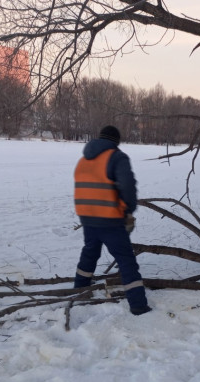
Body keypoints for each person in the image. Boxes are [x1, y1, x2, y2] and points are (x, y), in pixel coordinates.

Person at [73, 125, 151, 316]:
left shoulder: (83, 160)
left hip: (87, 217)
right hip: (110, 219)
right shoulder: (117, 157)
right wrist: (128, 210)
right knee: (126, 260)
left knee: (89, 254)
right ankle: (138, 305)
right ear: (116, 141)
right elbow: (128, 186)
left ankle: (78, 292)